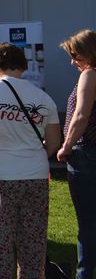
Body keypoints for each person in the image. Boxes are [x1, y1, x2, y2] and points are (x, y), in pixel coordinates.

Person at [0, 42, 61, 279]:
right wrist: (32, 156)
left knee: (0, 243)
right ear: (23, 66)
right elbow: (53, 143)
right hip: (36, 177)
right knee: (33, 244)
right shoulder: (44, 98)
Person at [57, 29, 96, 279]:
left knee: (87, 222)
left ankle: (84, 274)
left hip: (86, 155)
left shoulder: (90, 74)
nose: (73, 62)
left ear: (89, 53)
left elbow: (81, 115)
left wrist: (66, 146)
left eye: (76, 56)